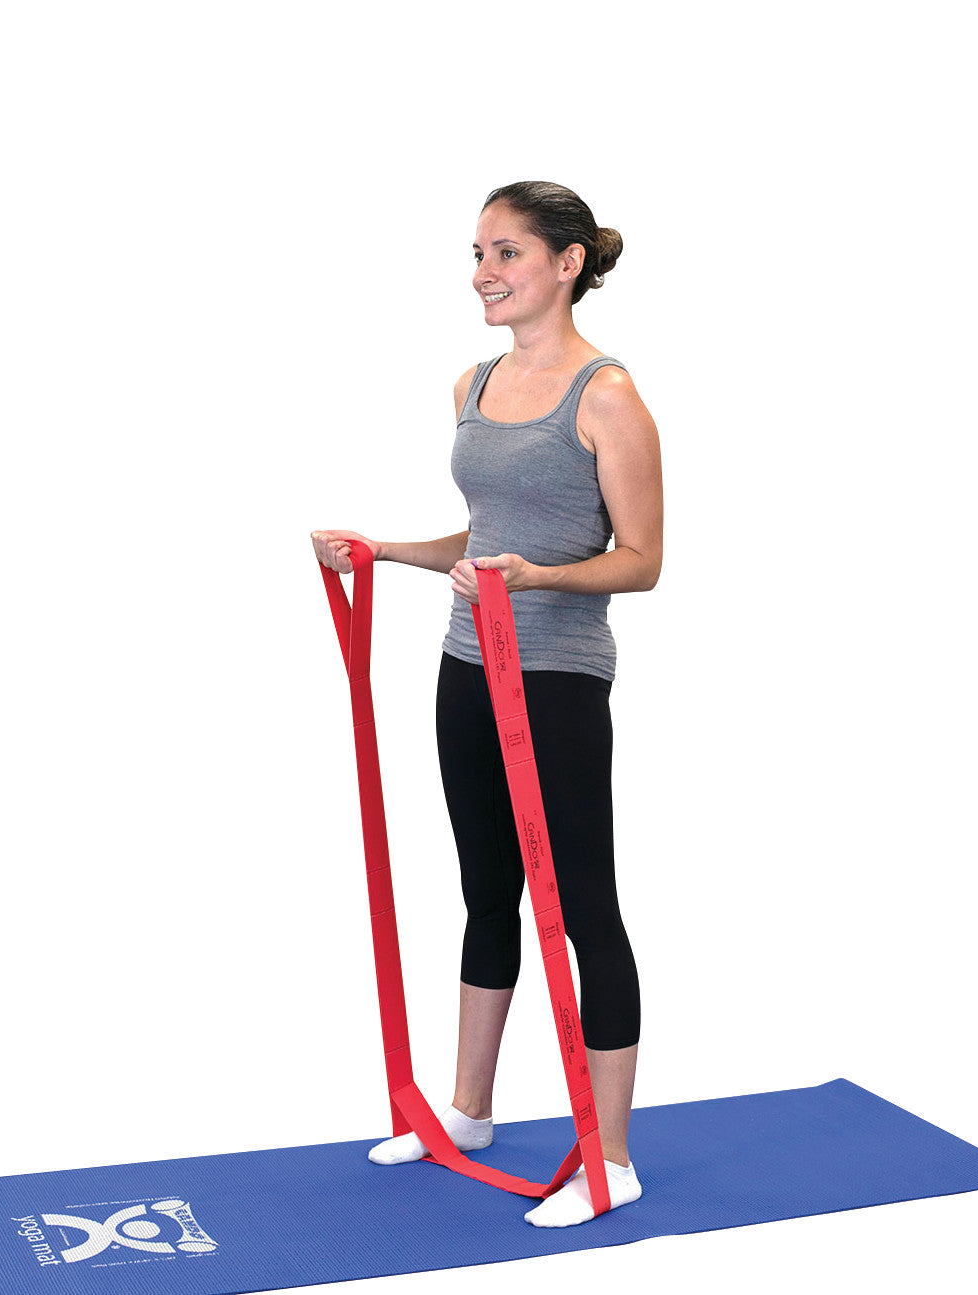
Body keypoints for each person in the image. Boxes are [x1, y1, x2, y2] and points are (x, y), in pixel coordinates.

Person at [310, 180, 663, 1228]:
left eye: (504, 253)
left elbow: (640, 561)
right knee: (486, 889)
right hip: (466, 665)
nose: (482, 274)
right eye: (474, 254)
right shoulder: (469, 383)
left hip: (554, 678)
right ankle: (467, 1109)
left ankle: (610, 1154)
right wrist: (380, 550)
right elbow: (475, 542)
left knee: (583, 904)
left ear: (564, 263)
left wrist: (536, 578)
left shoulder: (606, 396)